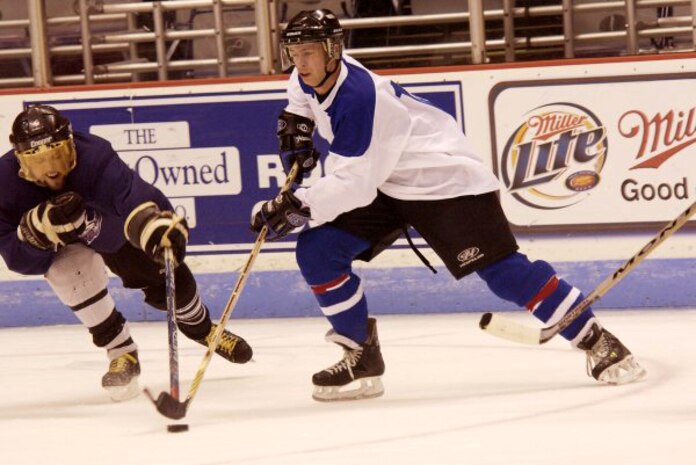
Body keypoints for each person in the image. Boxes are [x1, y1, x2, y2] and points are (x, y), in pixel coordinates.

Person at [250, 9, 646, 402]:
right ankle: (360, 355)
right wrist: (296, 128)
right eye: (294, 53)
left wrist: (298, 206)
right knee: (318, 251)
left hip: (440, 178)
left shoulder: (360, 97)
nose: (300, 63)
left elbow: (353, 185)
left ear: (333, 50)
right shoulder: (308, 76)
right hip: (386, 181)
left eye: (309, 53)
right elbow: (301, 103)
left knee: (503, 273)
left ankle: (597, 339)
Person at [0, 104, 253, 402]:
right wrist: (35, 236)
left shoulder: (94, 155)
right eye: (39, 162)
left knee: (171, 280)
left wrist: (154, 225)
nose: (52, 169)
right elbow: (14, 257)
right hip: (63, 251)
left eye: (56, 155)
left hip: (109, 231)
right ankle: (122, 352)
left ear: (71, 144)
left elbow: (135, 196)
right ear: (19, 159)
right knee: (66, 272)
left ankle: (201, 328)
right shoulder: (4, 184)